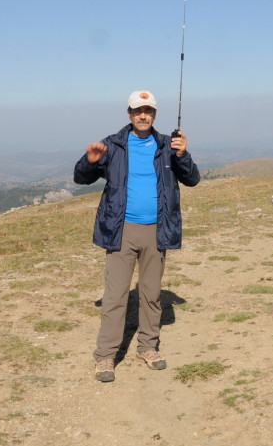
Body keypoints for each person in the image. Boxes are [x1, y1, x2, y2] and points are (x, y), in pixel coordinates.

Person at [74, 90, 200, 382]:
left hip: (158, 230)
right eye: (137, 111)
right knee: (115, 296)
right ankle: (106, 357)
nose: (143, 116)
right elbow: (81, 177)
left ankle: (148, 347)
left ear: (154, 114)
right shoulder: (113, 145)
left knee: (151, 294)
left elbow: (192, 179)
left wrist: (182, 155)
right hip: (121, 231)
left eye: (148, 111)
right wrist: (90, 161)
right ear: (128, 114)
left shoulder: (169, 145)